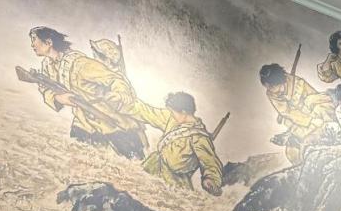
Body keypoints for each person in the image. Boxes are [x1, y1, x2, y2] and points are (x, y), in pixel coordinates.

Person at [27, 26, 146, 159]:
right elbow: (45, 88)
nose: (32, 45)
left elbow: (115, 79)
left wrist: (119, 94)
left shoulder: (81, 64)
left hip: (112, 122)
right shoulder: (47, 66)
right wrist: (58, 98)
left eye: (34, 40)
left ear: (49, 42)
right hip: (83, 124)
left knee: (134, 163)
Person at [127, 91, 224, 195]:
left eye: (173, 112)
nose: (172, 115)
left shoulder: (199, 138)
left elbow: (210, 162)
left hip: (173, 186)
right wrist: (125, 101)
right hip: (150, 170)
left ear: (184, 112)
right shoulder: (172, 119)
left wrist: (210, 179)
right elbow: (147, 112)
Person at [258, 63, 336, 164]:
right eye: (268, 88)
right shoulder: (271, 94)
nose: (271, 90)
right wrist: (310, 121)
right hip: (301, 121)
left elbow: (316, 99)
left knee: (312, 102)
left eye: (272, 87)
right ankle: (294, 138)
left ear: (279, 81)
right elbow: (287, 112)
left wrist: (314, 118)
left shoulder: (299, 83)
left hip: (315, 111)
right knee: (292, 148)